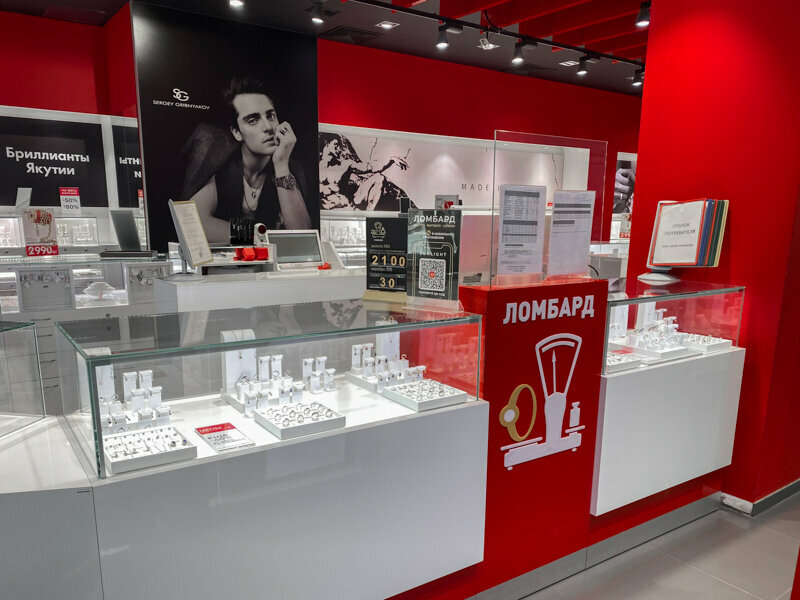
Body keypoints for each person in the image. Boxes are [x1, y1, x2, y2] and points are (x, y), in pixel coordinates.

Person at [185, 77, 311, 243]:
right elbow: (196, 226)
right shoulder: (217, 155)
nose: (268, 127)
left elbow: (303, 237)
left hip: (266, 259)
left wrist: (281, 165)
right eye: (253, 120)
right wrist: (261, 236)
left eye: (271, 116)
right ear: (237, 132)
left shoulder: (289, 165)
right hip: (222, 259)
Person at [318, 133, 412, 211]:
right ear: (326, 144)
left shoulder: (345, 164)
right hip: (329, 205)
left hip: (352, 201)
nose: (338, 148)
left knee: (379, 177)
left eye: (338, 145)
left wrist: (391, 160)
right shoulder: (318, 167)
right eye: (335, 145)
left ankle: (369, 214)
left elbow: (371, 167)